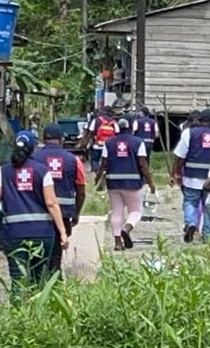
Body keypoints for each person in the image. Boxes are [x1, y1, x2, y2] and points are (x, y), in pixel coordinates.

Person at [0, 131, 69, 296]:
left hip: (13, 233)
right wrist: (62, 232)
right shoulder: (42, 171)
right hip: (41, 233)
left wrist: (9, 205)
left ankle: (19, 314)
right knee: (39, 277)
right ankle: (37, 315)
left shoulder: (3, 171)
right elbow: (51, 203)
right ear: (33, 150)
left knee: (18, 279)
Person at [171, 112, 210, 243]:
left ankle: (191, 224)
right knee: (209, 207)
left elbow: (180, 157)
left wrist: (177, 174)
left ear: (199, 120)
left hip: (191, 178)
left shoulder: (188, 134)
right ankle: (208, 235)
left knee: (190, 202)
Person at [33, 124, 86, 273]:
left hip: (39, 212)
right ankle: (54, 277)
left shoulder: (34, 158)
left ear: (43, 140)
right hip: (63, 214)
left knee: (39, 250)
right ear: (62, 140)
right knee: (57, 250)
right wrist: (76, 213)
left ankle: (38, 278)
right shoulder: (74, 160)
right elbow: (81, 190)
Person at [97, 118, 156, 251]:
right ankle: (127, 228)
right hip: (133, 183)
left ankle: (118, 242)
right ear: (131, 128)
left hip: (113, 182)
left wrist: (98, 179)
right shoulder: (138, 142)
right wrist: (151, 182)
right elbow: (143, 164)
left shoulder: (109, 142)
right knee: (135, 211)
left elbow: (104, 164)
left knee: (116, 211)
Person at [82, 108, 118, 173]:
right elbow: (117, 132)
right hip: (109, 146)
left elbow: (91, 132)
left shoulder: (96, 120)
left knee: (95, 160)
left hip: (97, 145)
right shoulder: (113, 122)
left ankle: (96, 174)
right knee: (109, 161)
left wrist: (88, 141)